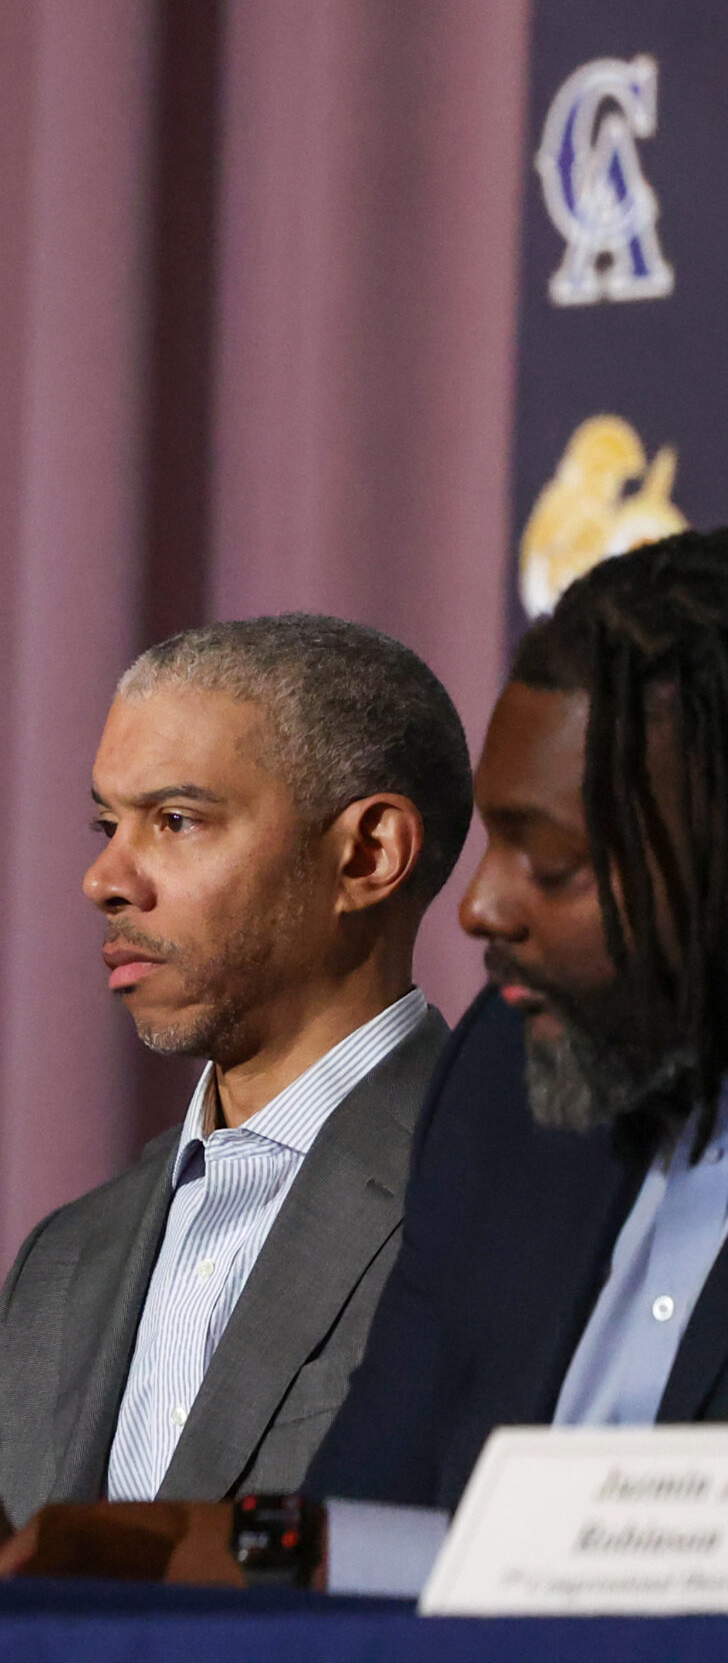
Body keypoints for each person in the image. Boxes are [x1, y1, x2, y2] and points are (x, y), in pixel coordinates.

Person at [0, 614, 470, 1579]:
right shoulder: (65, 1258)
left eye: (175, 820)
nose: (103, 878)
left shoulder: (494, 1198)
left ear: (367, 854)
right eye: (104, 824)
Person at [309, 530, 728, 1510]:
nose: (479, 906)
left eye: (552, 865)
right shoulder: (498, 1087)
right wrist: (127, 1549)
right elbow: (366, 1510)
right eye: (492, 843)